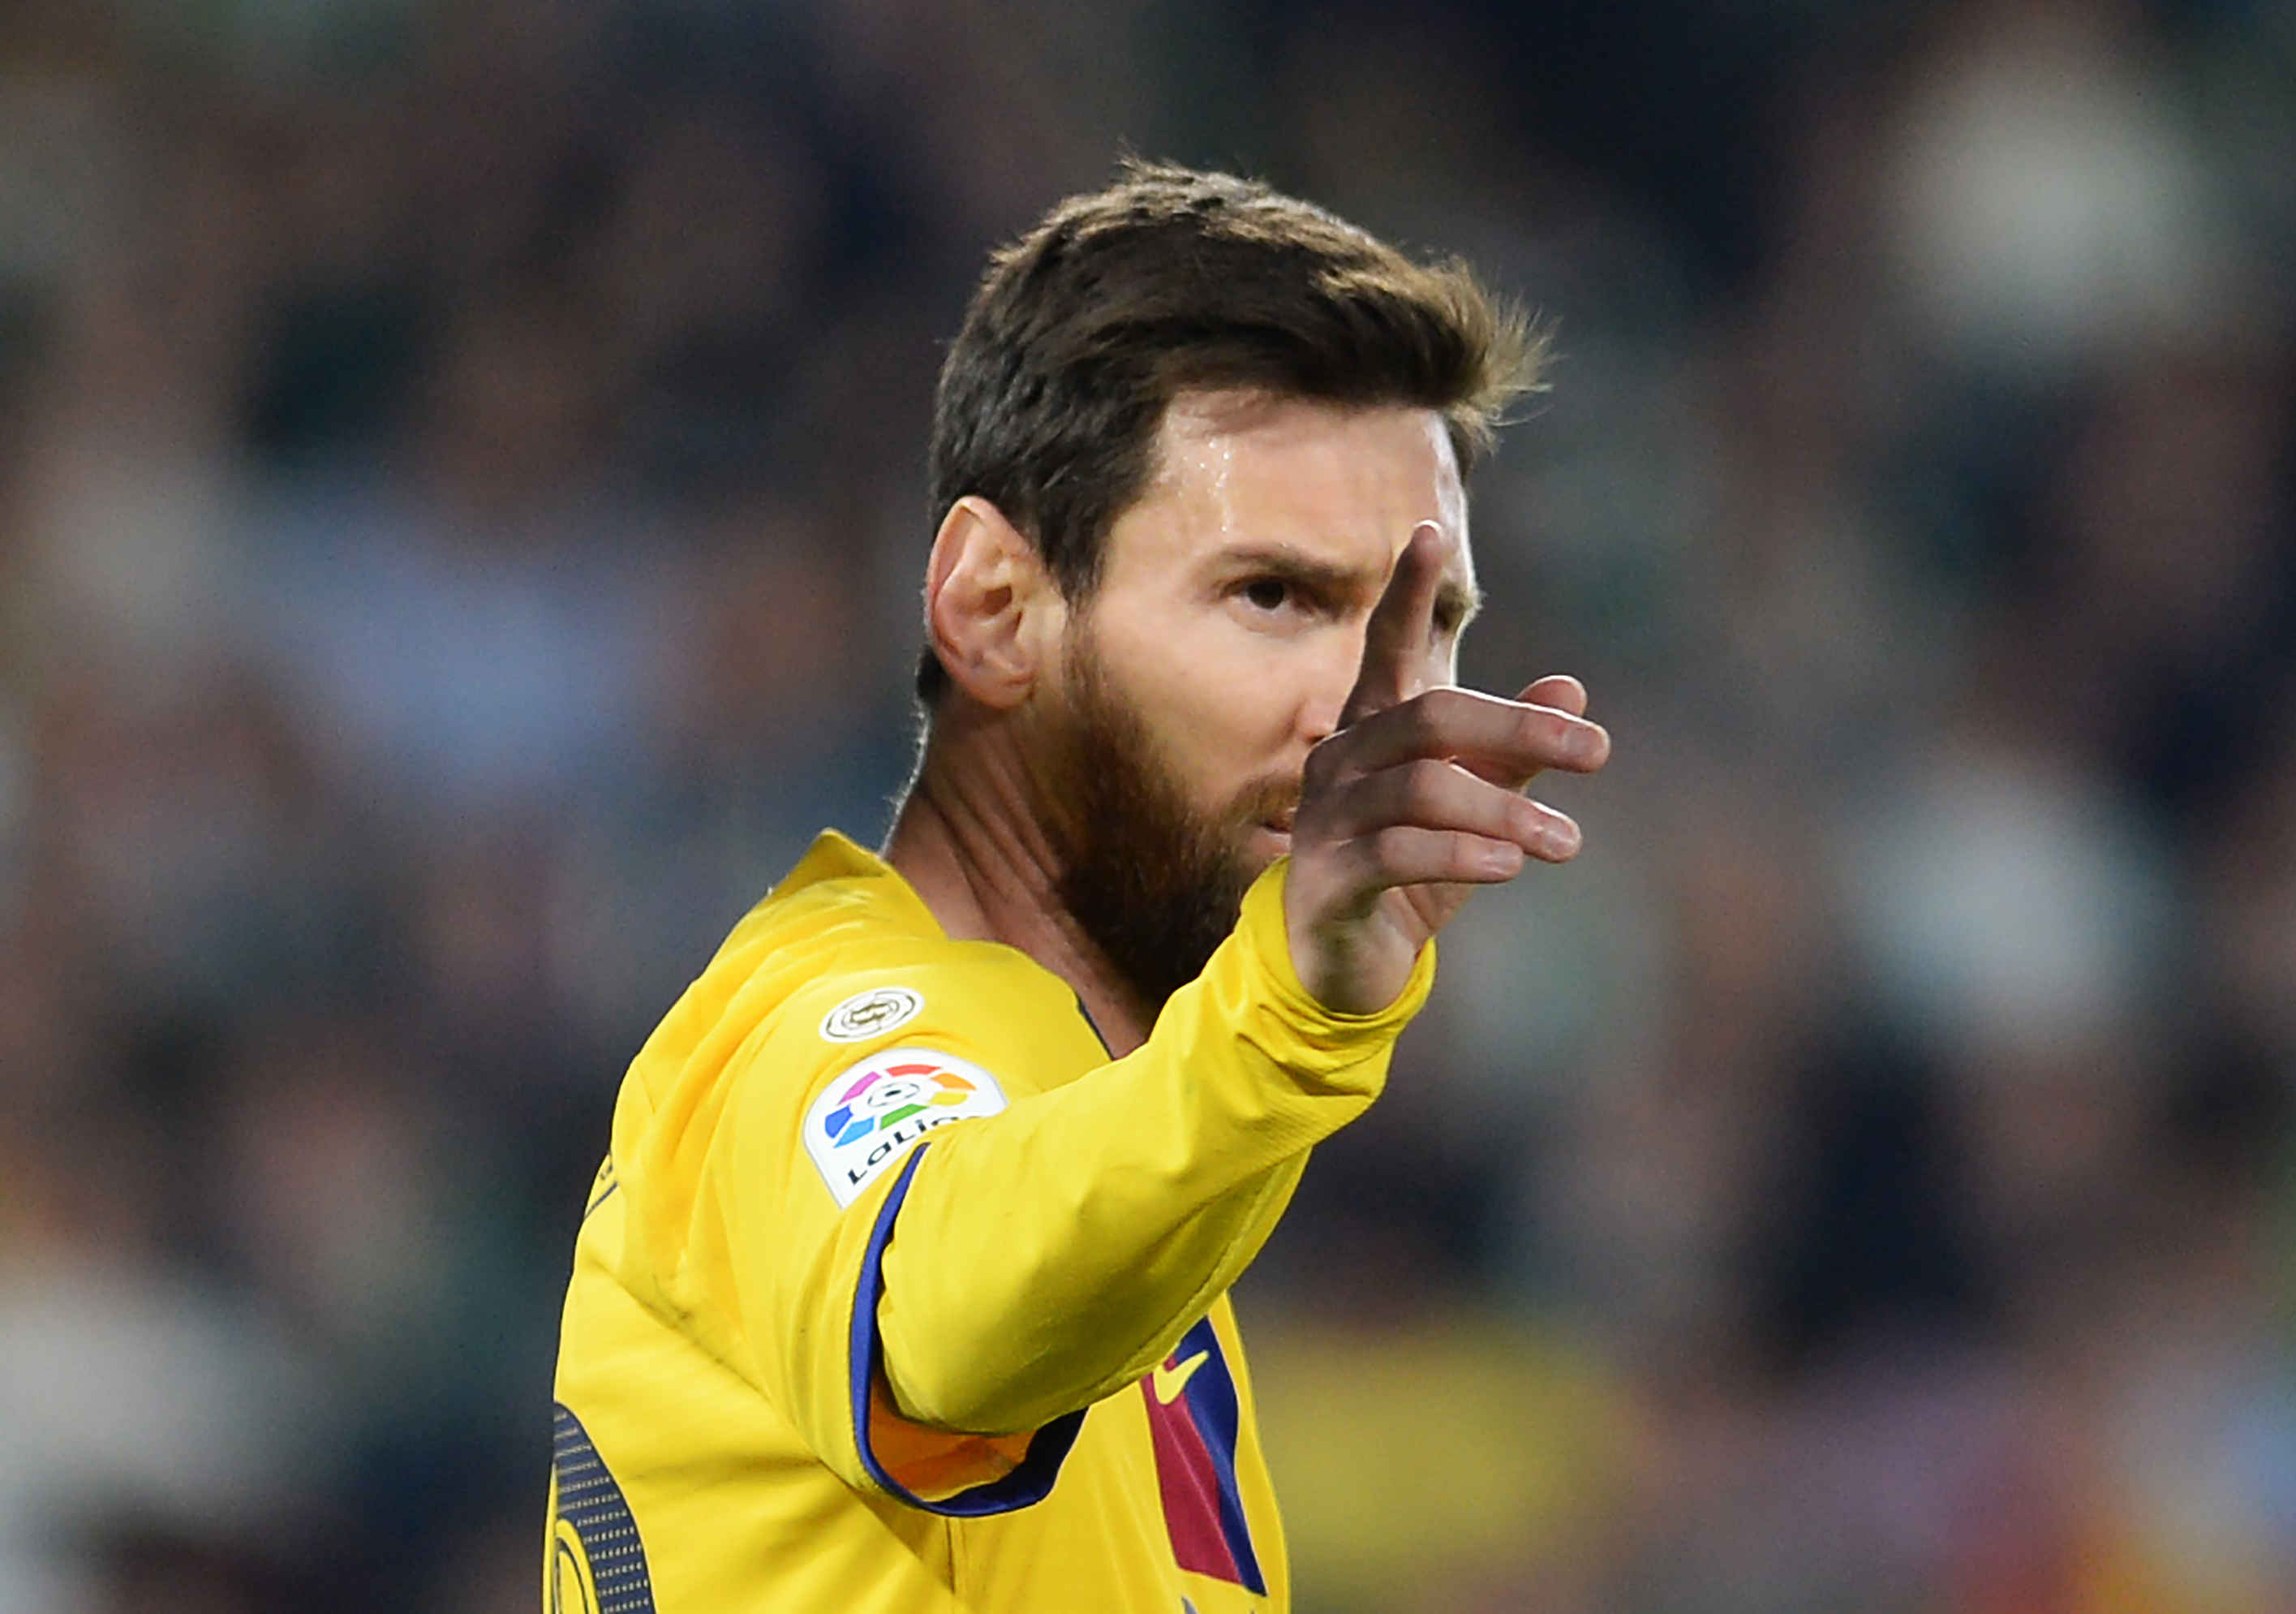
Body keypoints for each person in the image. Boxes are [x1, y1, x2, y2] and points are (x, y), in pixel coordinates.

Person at [544, 161, 1610, 1613]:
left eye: (1428, 623)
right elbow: (946, 1316)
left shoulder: (1142, 1168)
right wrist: (1293, 1024)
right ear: (993, 609)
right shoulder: (804, 1030)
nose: (1369, 711)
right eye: (1274, 596)